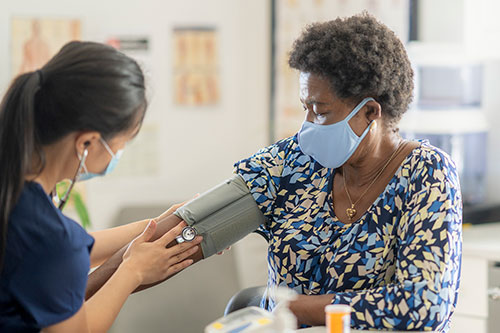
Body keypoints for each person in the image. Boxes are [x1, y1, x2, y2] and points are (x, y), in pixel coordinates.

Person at [86, 13, 462, 332]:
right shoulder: (291, 163)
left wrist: (285, 307)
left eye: (321, 111)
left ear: (370, 112)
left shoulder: (426, 175)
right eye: (305, 107)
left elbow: (422, 305)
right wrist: (72, 297)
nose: (308, 124)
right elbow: (186, 229)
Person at [0, 41, 202, 332]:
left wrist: (155, 225)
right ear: (86, 143)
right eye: (121, 144)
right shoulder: (50, 236)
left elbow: (70, 248)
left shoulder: (17, 187)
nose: (118, 154)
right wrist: (133, 271)